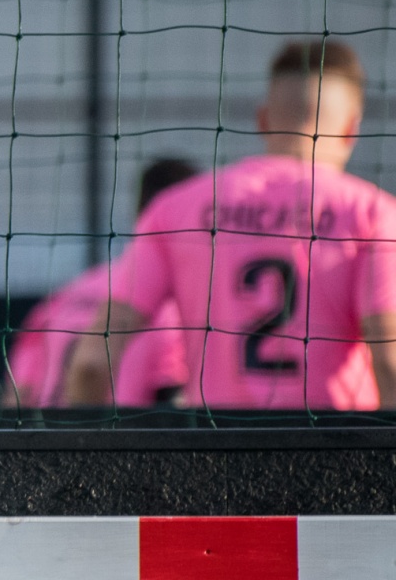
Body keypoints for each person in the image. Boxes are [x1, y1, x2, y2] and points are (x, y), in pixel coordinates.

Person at [65, 39, 396, 409]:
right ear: (352, 129)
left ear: (263, 119)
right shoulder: (373, 214)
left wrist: (82, 439)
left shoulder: (176, 208)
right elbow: (391, 364)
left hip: (216, 438)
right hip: (332, 438)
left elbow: (92, 362)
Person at [1, 157, 201, 409]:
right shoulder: (171, 311)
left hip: (45, 432)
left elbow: (17, 399)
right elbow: (175, 410)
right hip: (117, 433)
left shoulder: (64, 297)